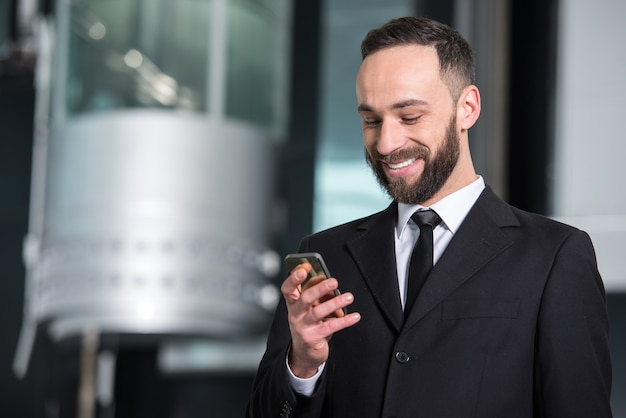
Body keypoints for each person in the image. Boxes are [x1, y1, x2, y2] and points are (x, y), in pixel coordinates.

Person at [246, 16, 612, 418]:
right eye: (371, 120)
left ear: (467, 108)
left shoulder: (553, 256)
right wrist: (303, 364)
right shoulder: (325, 253)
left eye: (410, 117)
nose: (386, 143)